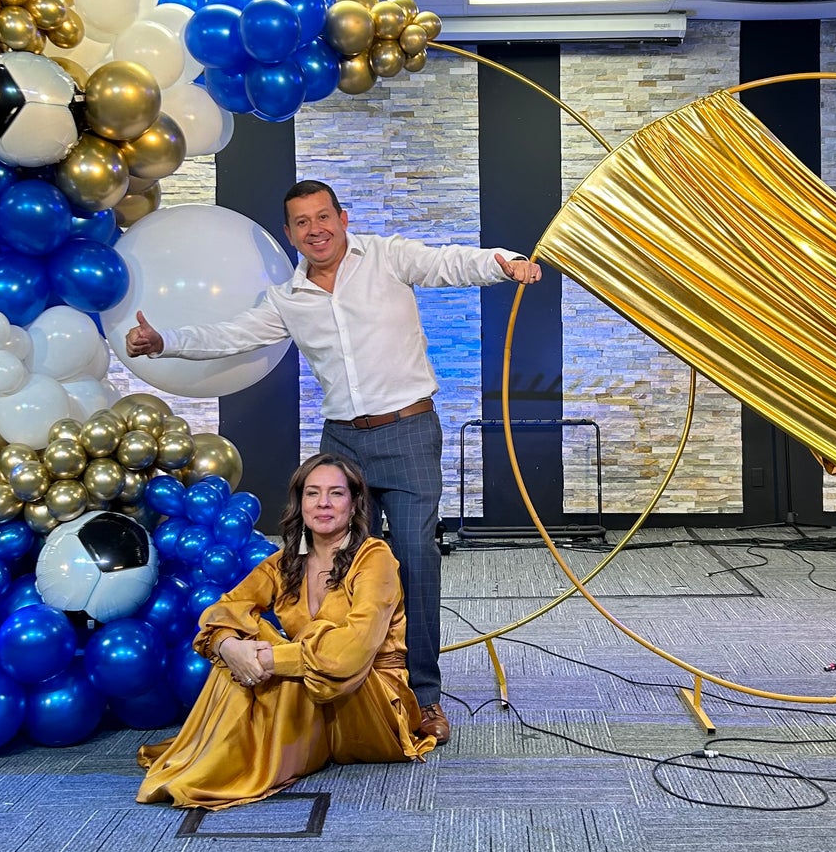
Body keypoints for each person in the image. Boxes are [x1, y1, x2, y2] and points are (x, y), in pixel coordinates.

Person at [126, 180, 542, 744]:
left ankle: (423, 699)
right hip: (343, 445)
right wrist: (164, 341)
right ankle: (350, 683)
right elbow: (231, 336)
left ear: (342, 218)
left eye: (324, 217)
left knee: (415, 561)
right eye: (302, 222)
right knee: (333, 568)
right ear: (291, 232)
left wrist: (506, 262)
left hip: (411, 430)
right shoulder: (287, 298)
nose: (315, 229)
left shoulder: (386, 257)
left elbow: (448, 264)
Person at [136, 453, 435, 809]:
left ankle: (228, 766)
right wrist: (230, 646)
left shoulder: (375, 556)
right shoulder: (288, 560)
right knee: (243, 635)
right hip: (315, 688)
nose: (323, 503)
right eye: (313, 493)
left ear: (355, 505)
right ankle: (222, 761)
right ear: (300, 503)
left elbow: (349, 654)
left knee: (296, 640)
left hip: (369, 702)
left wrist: (270, 659)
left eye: (336, 494)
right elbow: (225, 608)